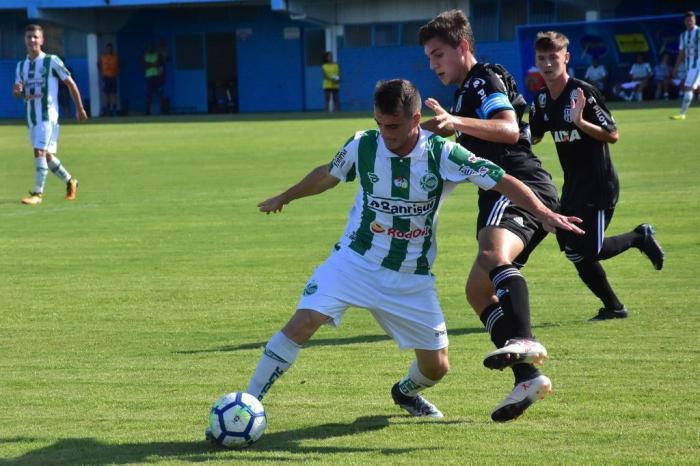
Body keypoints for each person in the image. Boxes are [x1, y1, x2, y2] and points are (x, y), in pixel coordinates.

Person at [236, 79, 582, 428]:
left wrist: (544, 213)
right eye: (379, 124)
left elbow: (501, 179)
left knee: (437, 367)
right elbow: (327, 174)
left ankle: (405, 392)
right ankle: (246, 404)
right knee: (303, 322)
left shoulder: (441, 154)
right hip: (353, 262)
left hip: (410, 277)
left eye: (393, 126)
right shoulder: (362, 145)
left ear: (416, 119)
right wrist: (285, 196)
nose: (384, 133)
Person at [418, 10, 564, 422]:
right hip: (497, 194)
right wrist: (414, 134)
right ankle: (526, 378)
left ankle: (524, 339)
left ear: (462, 47)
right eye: (429, 58)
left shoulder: (484, 78)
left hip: (518, 185)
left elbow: (508, 129)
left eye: (438, 54)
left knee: (492, 255)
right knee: (478, 292)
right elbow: (457, 130)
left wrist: (455, 121)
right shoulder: (466, 92)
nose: (434, 65)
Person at [529, 31, 665, 322]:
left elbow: (612, 135)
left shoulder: (583, 93)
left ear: (566, 58)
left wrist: (579, 122)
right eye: (542, 58)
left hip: (599, 185)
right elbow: (536, 136)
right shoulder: (541, 100)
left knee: (589, 249)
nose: (548, 64)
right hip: (573, 187)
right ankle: (614, 307)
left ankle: (639, 237)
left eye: (554, 57)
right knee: (572, 249)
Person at [12, 24, 87, 205]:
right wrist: (17, 91)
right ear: (25, 41)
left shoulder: (51, 61)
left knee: (39, 151)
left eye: (35, 37)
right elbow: (18, 93)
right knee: (46, 156)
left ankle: (37, 194)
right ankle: (71, 181)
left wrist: (80, 108)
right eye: (29, 37)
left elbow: (70, 83)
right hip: (31, 117)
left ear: (42, 40)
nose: (32, 40)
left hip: (48, 116)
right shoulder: (21, 66)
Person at [670, 11, 699, 120]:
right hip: (689, 66)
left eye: (691, 20)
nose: (689, 22)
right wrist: (676, 67)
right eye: (687, 20)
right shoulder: (683, 35)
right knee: (690, 88)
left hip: (697, 66)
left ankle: (682, 114)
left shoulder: (699, 32)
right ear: (684, 22)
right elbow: (681, 53)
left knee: (688, 88)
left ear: (695, 20)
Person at [99, 43, 120, 116]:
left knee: (113, 93)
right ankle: (107, 110)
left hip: (113, 77)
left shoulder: (115, 56)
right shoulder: (103, 57)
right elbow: (99, 64)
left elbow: (120, 64)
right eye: (107, 48)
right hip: (106, 77)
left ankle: (114, 109)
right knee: (106, 94)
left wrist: (117, 71)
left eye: (110, 48)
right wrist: (102, 72)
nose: (109, 50)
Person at [143, 44, 161, 115]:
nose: (150, 49)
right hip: (149, 76)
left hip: (156, 76)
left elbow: (158, 64)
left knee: (158, 93)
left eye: (151, 48)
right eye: (149, 48)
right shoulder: (146, 56)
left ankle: (161, 110)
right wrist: (152, 64)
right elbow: (144, 65)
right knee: (148, 94)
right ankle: (148, 111)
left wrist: (150, 64)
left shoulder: (156, 55)